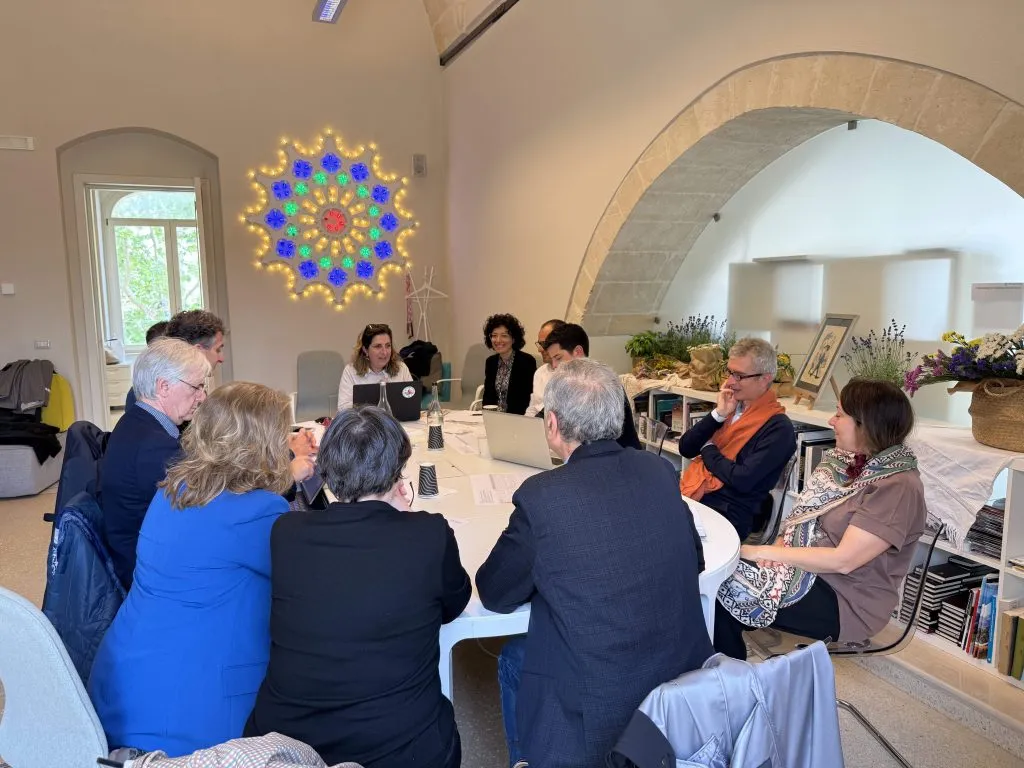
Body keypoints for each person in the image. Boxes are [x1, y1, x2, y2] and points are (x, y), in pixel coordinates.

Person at [476, 359, 712, 768]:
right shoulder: (658, 470)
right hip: (681, 686)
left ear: (552, 424)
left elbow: (495, 593)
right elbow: (695, 558)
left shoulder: (542, 496)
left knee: (515, 656)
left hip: (596, 713)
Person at [245, 407, 471, 768]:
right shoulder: (429, 534)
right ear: (397, 471)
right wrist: (406, 521)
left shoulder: (286, 533)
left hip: (287, 747)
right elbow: (454, 604)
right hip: (401, 749)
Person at [89, 382, 296, 756]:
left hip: (120, 686)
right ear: (266, 444)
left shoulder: (174, 489)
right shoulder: (260, 511)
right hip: (187, 719)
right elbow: (307, 585)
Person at [714, 379, 927, 660]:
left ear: (866, 424)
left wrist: (762, 552)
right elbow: (800, 520)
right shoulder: (843, 463)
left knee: (720, 589)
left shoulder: (897, 486)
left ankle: (729, 681)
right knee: (713, 576)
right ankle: (722, 672)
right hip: (806, 571)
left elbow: (844, 560)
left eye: (839, 414)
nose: (831, 421)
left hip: (846, 600)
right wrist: (778, 550)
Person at [100, 338, 210, 589]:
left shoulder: (135, 422)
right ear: (163, 387)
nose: (202, 396)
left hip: (138, 553)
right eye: (196, 387)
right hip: (151, 574)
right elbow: (208, 504)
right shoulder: (154, 446)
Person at [678, 337, 796, 540]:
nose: (730, 382)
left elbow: (742, 479)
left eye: (739, 376)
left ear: (765, 378)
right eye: (730, 372)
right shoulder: (730, 408)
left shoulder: (778, 428)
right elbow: (686, 448)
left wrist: (708, 449)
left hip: (733, 514)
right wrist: (718, 415)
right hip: (701, 496)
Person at [541, 323, 642, 450]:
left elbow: (595, 441)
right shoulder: (568, 385)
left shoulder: (603, 385)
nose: (554, 365)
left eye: (558, 358)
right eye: (552, 360)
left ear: (578, 352)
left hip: (618, 455)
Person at [126, 309, 226, 410]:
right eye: (217, 349)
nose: (222, 358)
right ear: (198, 351)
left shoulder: (191, 386)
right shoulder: (145, 397)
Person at [337, 323, 413, 411]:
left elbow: (412, 401)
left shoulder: (401, 368)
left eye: (388, 346)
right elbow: (343, 408)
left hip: (398, 419)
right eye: (378, 346)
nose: (384, 352)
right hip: (364, 419)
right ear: (365, 350)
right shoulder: (351, 371)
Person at [482, 313, 536, 415]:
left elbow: (526, 399)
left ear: (513, 339)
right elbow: (488, 396)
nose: (498, 340)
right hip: (493, 417)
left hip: (517, 418)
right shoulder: (491, 362)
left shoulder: (527, 361)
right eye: (494, 335)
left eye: (504, 336)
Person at [524, 318, 565, 418]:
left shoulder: (576, 376)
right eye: (539, 344)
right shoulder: (540, 372)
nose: (539, 349)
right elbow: (533, 408)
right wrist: (524, 424)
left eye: (545, 344)